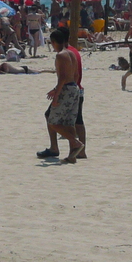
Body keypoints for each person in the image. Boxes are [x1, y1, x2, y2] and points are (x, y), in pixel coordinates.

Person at [41, 27, 84, 163]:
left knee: (53, 122)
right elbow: (75, 75)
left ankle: (75, 143)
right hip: (74, 88)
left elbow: (62, 78)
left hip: (66, 89)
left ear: (54, 42)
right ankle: (72, 155)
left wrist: (56, 95)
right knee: (69, 122)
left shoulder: (60, 55)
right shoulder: (71, 53)